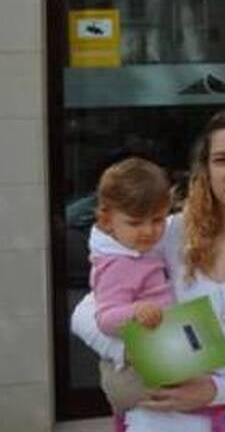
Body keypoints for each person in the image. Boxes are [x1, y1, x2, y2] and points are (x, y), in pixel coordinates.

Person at [72, 107, 225, 432]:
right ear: (206, 168)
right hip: (154, 422)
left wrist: (217, 391)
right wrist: (133, 351)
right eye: (222, 160)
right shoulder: (166, 232)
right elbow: (85, 314)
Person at [86, 157, 180, 432]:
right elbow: (105, 319)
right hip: (135, 369)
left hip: (151, 354)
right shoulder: (118, 264)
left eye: (158, 220)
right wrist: (136, 312)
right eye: (135, 222)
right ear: (107, 220)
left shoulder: (135, 250)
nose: (149, 231)